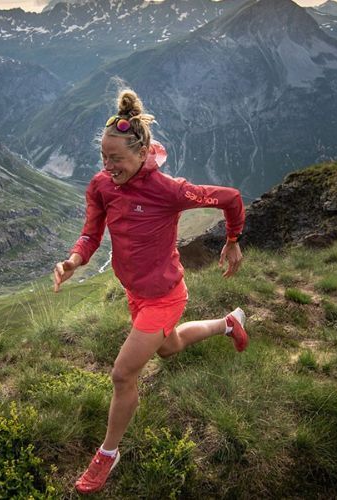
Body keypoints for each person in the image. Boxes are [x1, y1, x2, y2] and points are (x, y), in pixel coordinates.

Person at [51, 89, 249, 494]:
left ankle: (108, 454)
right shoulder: (101, 186)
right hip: (135, 293)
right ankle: (228, 323)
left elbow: (230, 198)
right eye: (104, 158)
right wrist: (73, 261)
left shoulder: (169, 190)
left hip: (165, 295)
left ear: (142, 154)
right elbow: (91, 234)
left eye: (117, 159)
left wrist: (232, 239)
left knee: (123, 374)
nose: (108, 167)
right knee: (169, 346)